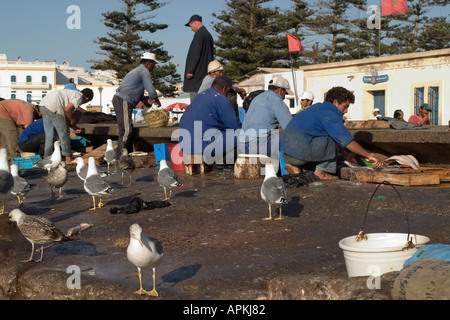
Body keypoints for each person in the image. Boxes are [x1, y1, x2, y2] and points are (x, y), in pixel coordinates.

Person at [280, 86, 383, 180]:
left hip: (287, 154)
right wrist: (369, 156)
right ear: (335, 102)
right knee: (331, 137)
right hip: (300, 153)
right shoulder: (331, 113)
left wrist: (347, 155)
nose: (346, 111)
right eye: (345, 106)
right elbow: (345, 140)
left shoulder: (316, 108)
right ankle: (322, 172)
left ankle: (296, 168)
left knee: (325, 135)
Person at [179, 76, 241, 166]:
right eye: (229, 92)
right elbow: (234, 126)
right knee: (242, 135)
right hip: (203, 145)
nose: (228, 95)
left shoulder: (199, 96)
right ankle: (221, 164)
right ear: (224, 89)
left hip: (184, 146)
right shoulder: (220, 98)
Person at [112, 52, 161, 158]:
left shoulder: (137, 71)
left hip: (122, 99)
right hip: (123, 100)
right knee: (126, 130)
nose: (154, 66)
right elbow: (150, 88)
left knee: (126, 129)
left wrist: (146, 99)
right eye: (154, 64)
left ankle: (126, 154)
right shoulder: (144, 71)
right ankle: (122, 157)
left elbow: (134, 90)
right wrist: (156, 100)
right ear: (149, 63)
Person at [239, 77, 293, 158]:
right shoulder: (277, 101)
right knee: (291, 138)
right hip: (258, 145)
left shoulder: (258, 98)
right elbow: (290, 128)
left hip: (242, 145)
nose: (284, 97)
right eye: (285, 93)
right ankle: (292, 169)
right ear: (280, 90)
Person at [39, 88, 93, 164]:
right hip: (54, 106)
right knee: (64, 133)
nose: (82, 103)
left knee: (49, 136)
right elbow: (67, 110)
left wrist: (72, 126)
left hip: (43, 105)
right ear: (87, 98)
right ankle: (68, 158)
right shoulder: (79, 96)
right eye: (86, 102)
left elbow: (65, 117)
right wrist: (73, 120)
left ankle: (47, 159)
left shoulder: (71, 93)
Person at [183, 14, 214, 102]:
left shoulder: (199, 34)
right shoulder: (208, 35)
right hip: (206, 73)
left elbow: (195, 53)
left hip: (197, 75)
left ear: (195, 23)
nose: (191, 28)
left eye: (191, 26)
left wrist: (190, 70)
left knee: (196, 102)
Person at [0, 99, 41, 163]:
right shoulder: (30, 111)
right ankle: (14, 158)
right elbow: (29, 130)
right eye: (40, 116)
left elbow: (22, 130)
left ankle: (7, 158)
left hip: (6, 112)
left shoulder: (28, 106)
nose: (38, 118)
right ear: (39, 111)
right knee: (12, 135)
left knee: (7, 137)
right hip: (2, 112)